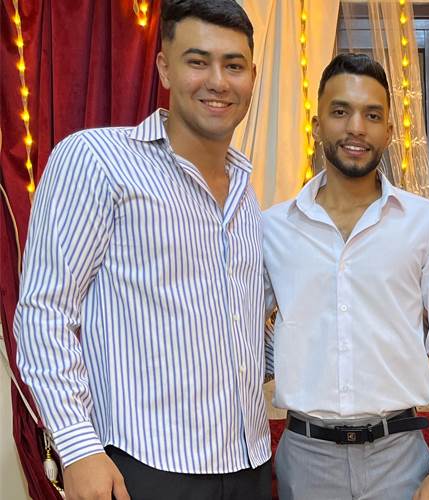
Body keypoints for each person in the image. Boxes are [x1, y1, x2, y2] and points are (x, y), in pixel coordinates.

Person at [14, 1, 272, 499]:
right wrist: (78, 448)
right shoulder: (97, 160)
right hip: (144, 466)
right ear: (165, 68)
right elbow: (45, 312)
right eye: (198, 61)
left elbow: (234, 330)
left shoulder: (246, 190)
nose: (218, 81)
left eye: (234, 65)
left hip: (248, 463)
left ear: (252, 77)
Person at [262, 53, 429, 500]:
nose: (356, 127)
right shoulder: (272, 228)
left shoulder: (426, 222)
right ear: (318, 124)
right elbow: (235, 334)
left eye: (372, 115)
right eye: (341, 111)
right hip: (306, 459)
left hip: (400, 456)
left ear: (389, 131)